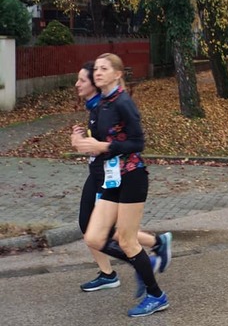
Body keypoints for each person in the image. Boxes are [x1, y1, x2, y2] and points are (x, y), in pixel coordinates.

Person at [72, 53, 168, 317]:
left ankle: (156, 295)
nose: (98, 72)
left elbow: (138, 143)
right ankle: (145, 262)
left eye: (105, 68)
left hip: (133, 177)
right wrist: (85, 142)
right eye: (97, 68)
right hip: (113, 178)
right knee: (94, 237)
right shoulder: (101, 103)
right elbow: (101, 142)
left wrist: (102, 146)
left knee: (125, 239)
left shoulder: (123, 102)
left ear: (117, 74)